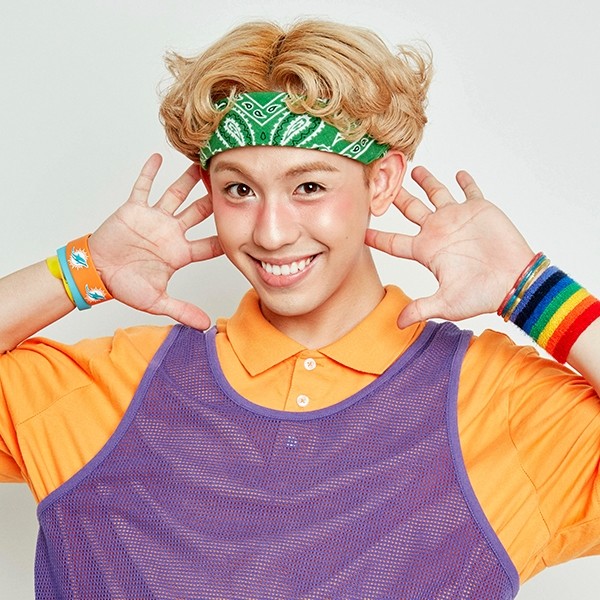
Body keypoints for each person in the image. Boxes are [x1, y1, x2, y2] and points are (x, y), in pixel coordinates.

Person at [0, 18, 598, 600]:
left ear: (381, 181)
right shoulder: (117, 387)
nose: (271, 232)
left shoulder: (495, 402)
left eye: (309, 186)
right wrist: (84, 269)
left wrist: (531, 289)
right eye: (239, 189)